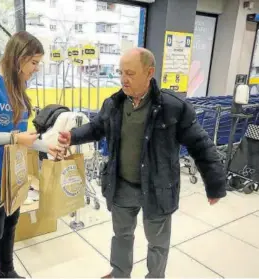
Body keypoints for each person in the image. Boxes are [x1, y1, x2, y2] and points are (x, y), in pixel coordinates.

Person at [58, 47, 227, 278]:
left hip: (157, 189)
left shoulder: (173, 107)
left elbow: (201, 145)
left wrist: (215, 184)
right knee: (121, 235)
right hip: (122, 184)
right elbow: (97, 127)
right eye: (120, 73)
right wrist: (73, 136)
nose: (123, 79)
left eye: (130, 73)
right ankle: (119, 273)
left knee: (157, 242)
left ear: (149, 73)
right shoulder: (114, 104)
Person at [0, 31, 62, 278]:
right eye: (34, 62)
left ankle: (6, 271)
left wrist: (46, 146)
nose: (37, 68)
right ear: (19, 58)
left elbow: (21, 133)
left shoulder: (18, 88)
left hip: (14, 173)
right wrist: (13, 139)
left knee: (10, 224)